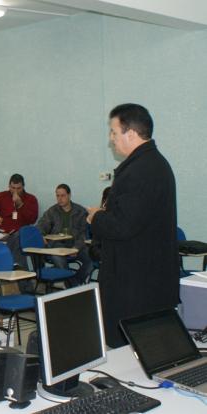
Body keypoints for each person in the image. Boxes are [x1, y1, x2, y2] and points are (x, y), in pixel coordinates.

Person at [87, 103, 178, 348]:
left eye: (114, 132)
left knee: (129, 351)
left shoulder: (140, 171)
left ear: (131, 133)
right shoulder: (153, 164)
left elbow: (123, 226)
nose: (111, 139)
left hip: (134, 285)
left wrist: (96, 217)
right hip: (146, 279)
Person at [36, 184, 92, 286]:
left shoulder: (80, 212)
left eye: (63, 196)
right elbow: (41, 225)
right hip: (57, 246)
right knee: (59, 259)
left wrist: (76, 248)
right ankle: (72, 286)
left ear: (69, 195)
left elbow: (83, 234)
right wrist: (41, 235)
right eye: (57, 196)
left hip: (75, 245)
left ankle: (74, 282)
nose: (60, 199)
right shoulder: (52, 211)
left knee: (92, 258)